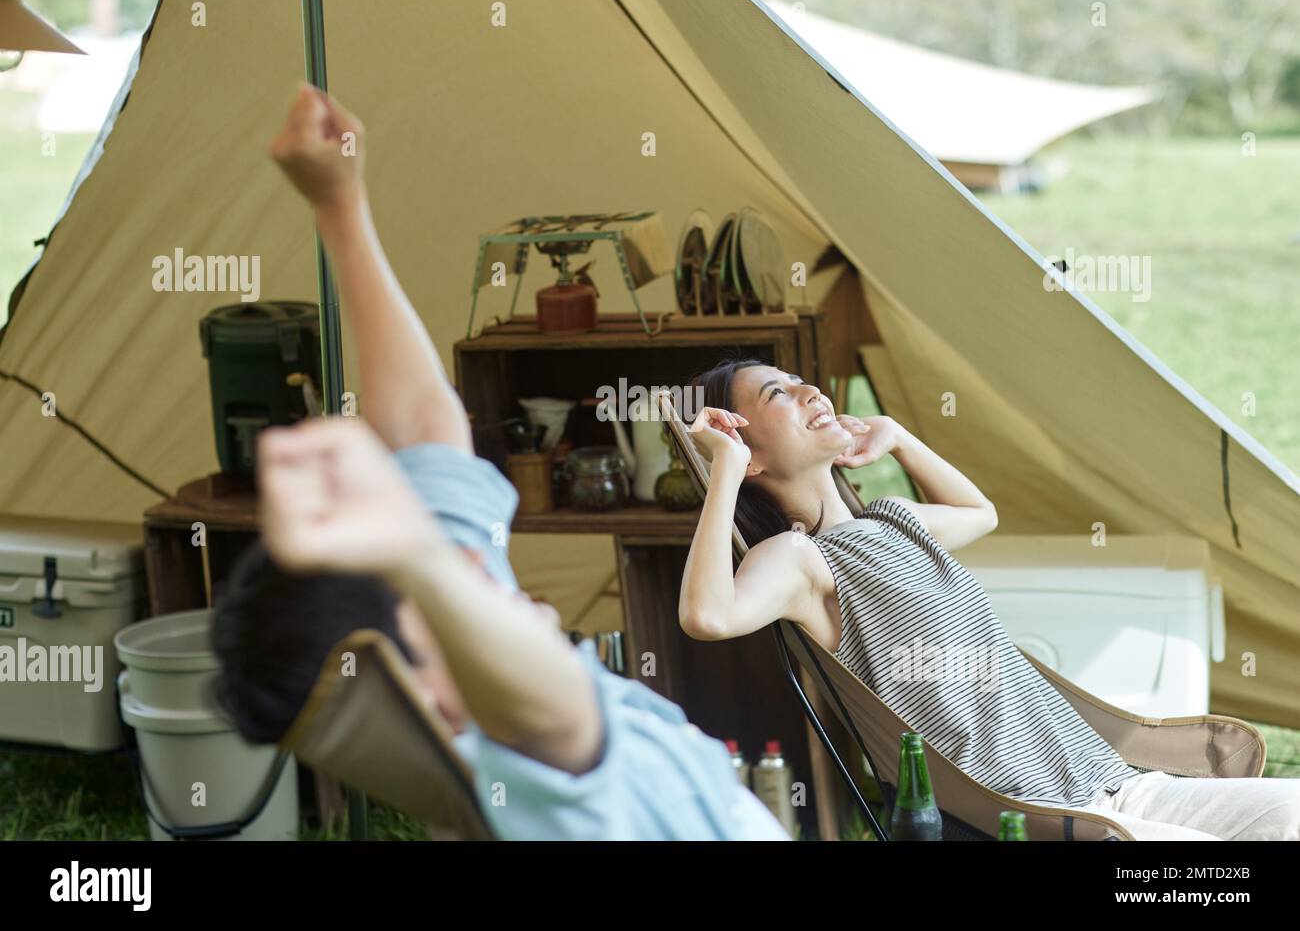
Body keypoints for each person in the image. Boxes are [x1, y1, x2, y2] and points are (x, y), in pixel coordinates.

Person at [210, 85, 788, 841]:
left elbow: (426, 429)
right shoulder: (536, 790)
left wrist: (339, 206)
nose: (477, 571)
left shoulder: (466, 641)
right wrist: (415, 554)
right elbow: (549, 708)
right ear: (426, 695)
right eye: (441, 582)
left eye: (454, 562)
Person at [678, 357, 1300, 840]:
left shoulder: (893, 522)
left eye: (800, 380)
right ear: (749, 449)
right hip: (1045, 815)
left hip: (1111, 781)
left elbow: (980, 513)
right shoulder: (800, 561)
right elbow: (707, 615)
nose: (811, 392)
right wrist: (725, 470)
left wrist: (896, 438)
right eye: (778, 395)